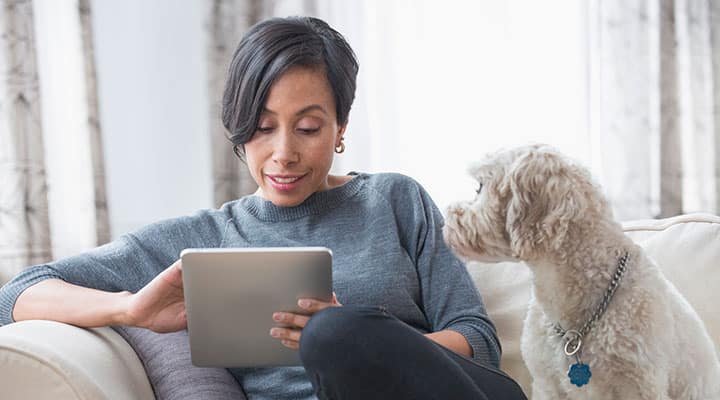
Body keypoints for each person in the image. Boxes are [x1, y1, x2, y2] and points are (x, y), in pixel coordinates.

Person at [0, 16, 526, 400]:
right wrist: (129, 309)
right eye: (263, 126)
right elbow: (16, 296)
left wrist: (369, 339)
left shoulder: (394, 199)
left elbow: (478, 340)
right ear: (238, 127)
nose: (283, 154)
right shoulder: (202, 239)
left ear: (340, 128)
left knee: (335, 333)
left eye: (308, 127)